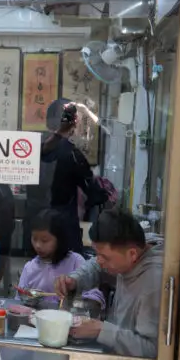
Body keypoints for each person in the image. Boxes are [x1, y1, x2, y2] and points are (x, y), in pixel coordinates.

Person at [54, 208, 163, 359]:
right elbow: (96, 266)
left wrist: (101, 331)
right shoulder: (134, 247)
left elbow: (152, 349)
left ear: (132, 254)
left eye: (104, 256)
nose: (99, 260)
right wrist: (74, 280)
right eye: (96, 253)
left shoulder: (153, 283)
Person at [42, 100, 107, 253]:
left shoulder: (34, 145)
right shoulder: (71, 153)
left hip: (35, 228)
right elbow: (94, 193)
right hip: (62, 228)